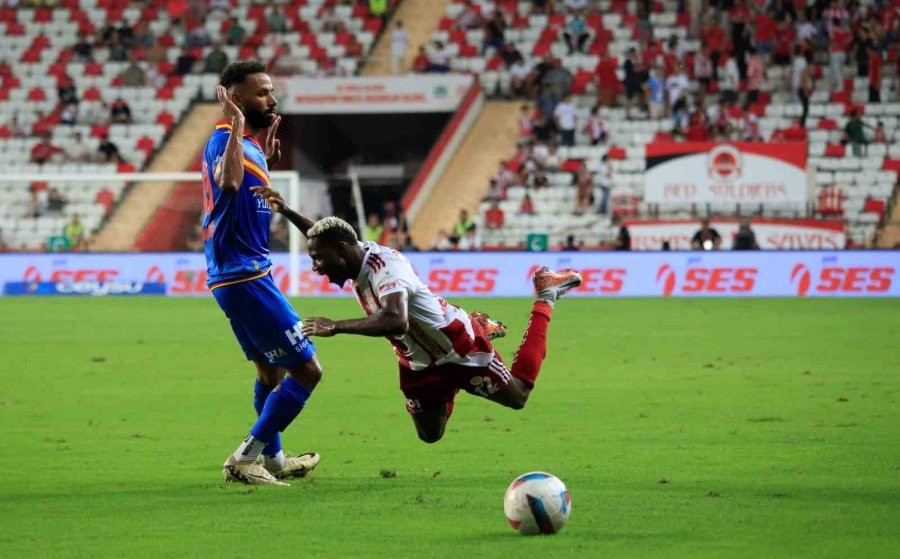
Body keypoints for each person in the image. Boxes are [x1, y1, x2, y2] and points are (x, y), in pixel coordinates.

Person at [250, 204, 584, 444]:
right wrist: (286, 210)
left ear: (341, 251)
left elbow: (396, 320)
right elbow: (323, 235)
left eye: (319, 259)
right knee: (430, 435)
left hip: (459, 350)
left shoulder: (386, 268)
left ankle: (545, 294)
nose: (316, 267)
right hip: (417, 362)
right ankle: (467, 346)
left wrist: (335, 326)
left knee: (518, 396)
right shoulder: (349, 255)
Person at [205, 61, 322, 486]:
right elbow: (230, 183)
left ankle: (273, 459)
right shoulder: (224, 139)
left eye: (271, 91)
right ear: (235, 100)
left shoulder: (249, 146)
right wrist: (238, 128)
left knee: (269, 373)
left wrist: (259, 151)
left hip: (240, 275)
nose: (271, 99)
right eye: (261, 93)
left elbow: (243, 194)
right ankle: (244, 457)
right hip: (244, 276)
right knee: (308, 370)